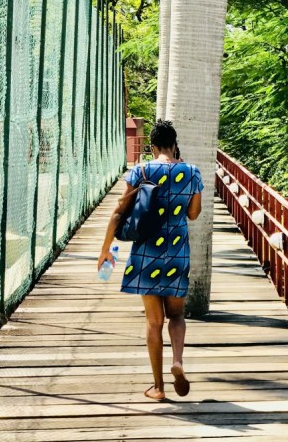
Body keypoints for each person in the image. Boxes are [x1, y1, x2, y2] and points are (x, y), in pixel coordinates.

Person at [98, 120, 203, 401]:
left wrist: (106, 250)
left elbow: (120, 213)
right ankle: (178, 361)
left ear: (153, 146)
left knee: (153, 322)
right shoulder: (192, 172)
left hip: (146, 255)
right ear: (174, 143)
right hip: (177, 253)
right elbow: (193, 214)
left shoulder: (141, 170)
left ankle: (158, 387)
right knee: (177, 315)